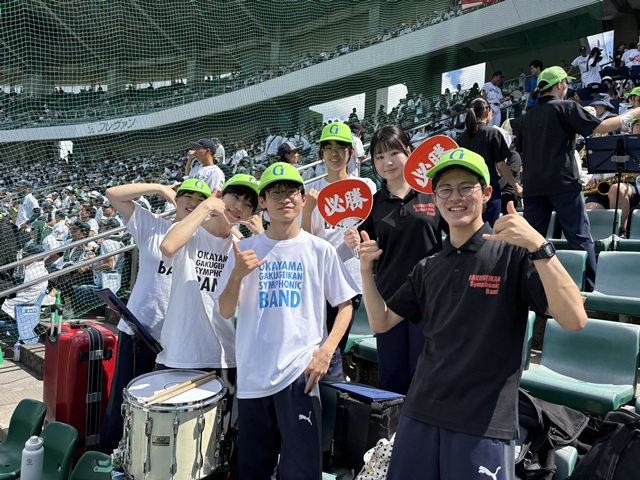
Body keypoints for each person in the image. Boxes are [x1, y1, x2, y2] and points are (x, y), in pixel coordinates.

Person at [358, 147, 588, 480]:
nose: (456, 197)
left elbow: (575, 319)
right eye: (445, 190)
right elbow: (381, 322)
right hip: (420, 413)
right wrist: (366, 272)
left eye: (466, 187)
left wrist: (540, 246)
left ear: (487, 193)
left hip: (483, 423)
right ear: (435, 199)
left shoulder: (512, 256)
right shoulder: (428, 267)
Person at [215, 162, 357, 480]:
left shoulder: (320, 249)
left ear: (303, 198)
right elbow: (225, 310)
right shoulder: (244, 249)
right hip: (253, 377)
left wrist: (326, 351)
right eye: (275, 193)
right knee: (253, 471)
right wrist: (237, 275)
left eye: (291, 191)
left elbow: (346, 306)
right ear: (262, 202)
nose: (284, 199)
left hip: (300, 375)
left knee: (303, 472)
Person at [99, 179, 210, 454]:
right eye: (187, 196)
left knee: (162, 406)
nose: (192, 203)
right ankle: (109, 458)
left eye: (200, 200)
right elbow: (113, 194)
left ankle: (146, 461)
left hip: (177, 338)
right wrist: (159, 188)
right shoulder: (153, 226)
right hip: (139, 329)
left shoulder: (206, 240)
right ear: (176, 198)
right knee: (124, 400)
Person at [516, 66, 640, 291]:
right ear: (560, 84)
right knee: (579, 238)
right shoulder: (566, 107)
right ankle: (590, 290)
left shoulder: (527, 117)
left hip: (533, 186)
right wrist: (633, 114)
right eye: (566, 83)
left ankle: (526, 291)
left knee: (532, 241)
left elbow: (522, 150)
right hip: (563, 183)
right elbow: (602, 126)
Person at [343, 125, 446, 395]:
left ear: (409, 153)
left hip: (430, 299)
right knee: (392, 378)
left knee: (426, 377)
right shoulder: (372, 204)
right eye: (379, 157)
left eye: (393, 153)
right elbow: (365, 249)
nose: (387, 162)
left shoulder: (433, 195)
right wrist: (355, 245)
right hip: (389, 302)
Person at [157, 174, 260, 437]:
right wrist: (205, 206)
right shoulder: (191, 233)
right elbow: (168, 246)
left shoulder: (242, 248)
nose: (239, 206)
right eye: (235, 197)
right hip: (180, 353)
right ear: (220, 195)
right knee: (171, 439)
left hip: (222, 357)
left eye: (248, 204)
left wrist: (258, 234)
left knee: (216, 442)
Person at [301, 122, 376, 378]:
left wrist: (360, 242)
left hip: (352, 279)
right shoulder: (312, 192)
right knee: (319, 349)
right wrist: (308, 211)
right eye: (328, 148)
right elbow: (305, 242)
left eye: (340, 148)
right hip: (320, 281)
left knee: (335, 350)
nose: (334, 153)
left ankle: (333, 390)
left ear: (350, 152)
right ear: (321, 154)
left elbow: (373, 234)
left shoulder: (365, 187)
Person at [456, 98, 522, 227]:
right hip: (488, 187)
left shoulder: (461, 138)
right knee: (488, 229)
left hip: (466, 188)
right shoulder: (493, 133)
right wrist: (515, 185)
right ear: (487, 111)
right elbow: (501, 166)